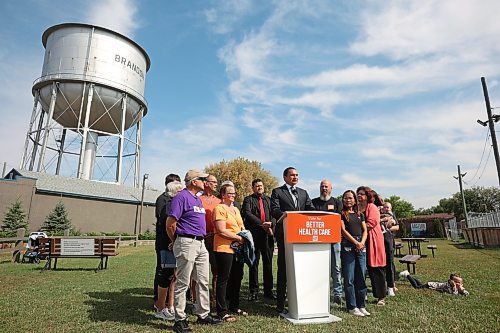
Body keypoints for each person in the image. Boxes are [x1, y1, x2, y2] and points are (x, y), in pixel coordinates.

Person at [166, 169, 221, 333]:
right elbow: (170, 223)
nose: (206, 182)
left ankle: (203, 314)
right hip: (186, 242)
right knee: (183, 282)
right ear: (193, 181)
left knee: (203, 280)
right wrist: (176, 241)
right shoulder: (181, 197)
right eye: (203, 179)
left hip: (201, 243)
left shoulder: (197, 200)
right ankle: (179, 319)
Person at [271, 166, 314, 313]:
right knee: (283, 268)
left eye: (297, 175)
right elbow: (275, 210)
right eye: (292, 175)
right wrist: (290, 216)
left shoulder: (303, 193)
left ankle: (299, 300)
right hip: (285, 235)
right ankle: (280, 304)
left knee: (300, 269)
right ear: (285, 177)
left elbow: (310, 209)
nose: (295, 177)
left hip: (302, 236)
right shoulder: (277, 192)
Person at [213, 184, 247, 322]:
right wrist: (239, 237)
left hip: (237, 249)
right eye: (230, 193)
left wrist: (245, 234)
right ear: (223, 194)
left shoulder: (236, 209)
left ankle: (234, 305)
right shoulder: (219, 209)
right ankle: (222, 311)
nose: (233, 195)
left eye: (234, 193)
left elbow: (240, 225)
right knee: (223, 279)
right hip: (223, 248)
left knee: (237, 277)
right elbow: (221, 230)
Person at [242, 178, 276, 301]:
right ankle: (254, 291)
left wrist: (270, 224)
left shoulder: (269, 200)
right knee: (254, 264)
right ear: (253, 188)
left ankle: (268, 291)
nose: (259, 187)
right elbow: (247, 214)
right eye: (257, 186)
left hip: (268, 236)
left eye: (261, 185)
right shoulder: (248, 200)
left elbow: (274, 215)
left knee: (268, 264)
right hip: (254, 236)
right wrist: (263, 224)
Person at [154, 173, 181, 320]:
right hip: (166, 244)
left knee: (174, 275)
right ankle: (159, 305)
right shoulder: (163, 201)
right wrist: (172, 240)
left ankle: (170, 306)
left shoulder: (174, 202)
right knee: (164, 274)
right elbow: (165, 223)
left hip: (174, 243)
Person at [312, 179, 343, 305]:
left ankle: (337, 294)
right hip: (318, 241)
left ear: (331, 188)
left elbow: (340, 220)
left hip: (334, 240)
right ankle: (319, 292)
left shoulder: (337, 202)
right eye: (322, 186)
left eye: (326, 186)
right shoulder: (313, 202)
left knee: (336, 267)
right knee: (319, 267)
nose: (324, 188)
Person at [340, 190, 370, 317]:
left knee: (361, 277)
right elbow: (343, 230)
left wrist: (361, 242)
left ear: (354, 200)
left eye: (350, 198)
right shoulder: (341, 214)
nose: (348, 200)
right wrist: (355, 242)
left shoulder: (360, 214)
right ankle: (352, 306)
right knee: (349, 278)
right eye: (345, 198)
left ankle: (361, 305)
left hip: (361, 247)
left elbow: (365, 230)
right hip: (348, 247)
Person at [357, 186, 387, 306]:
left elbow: (372, 223)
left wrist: (356, 229)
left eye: (362, 194)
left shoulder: (372, 207)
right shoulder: (357, 207)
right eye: (358, 194)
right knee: (362, 268)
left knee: (376, 268)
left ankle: (381, 296)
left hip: (373, 240)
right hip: (360, 240)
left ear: (367, 196)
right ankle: (361, 294)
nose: (359, 196)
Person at [199, 174, 221, 308]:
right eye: (213, 182)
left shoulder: (219, 201)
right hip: (201, 238)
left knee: (216, 271)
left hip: (215, 238)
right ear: (206, 183)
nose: (215, 185)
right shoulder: (198, 199)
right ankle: (196, 298)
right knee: (198, 271)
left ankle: (214, 299)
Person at [380, 202, 399, 297]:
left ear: (391, 208)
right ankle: (382, 286)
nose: (386, 208)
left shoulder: (392, 215)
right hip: (379, 241)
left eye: (388, 207)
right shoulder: (379, 214)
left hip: (389, 241)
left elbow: (397, 226)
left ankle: (391, 286)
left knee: (390, 264)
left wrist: (388, 228)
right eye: (384, 207)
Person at [399, 271, 469, 296]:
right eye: (455, 281)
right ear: (451, 281)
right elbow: (453, 294)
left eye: (459, 282)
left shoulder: (458, 287)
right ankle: (407, 275)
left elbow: (466, 294)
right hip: (430, 285)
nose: (458, 283)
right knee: (417, 287)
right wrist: (454, 287)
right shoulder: (448, 285)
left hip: (431, 284)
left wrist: (462, 290)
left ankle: (408, 275)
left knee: (419, 284)